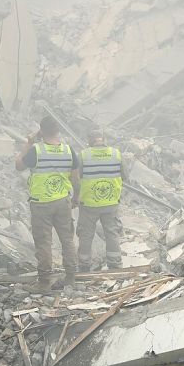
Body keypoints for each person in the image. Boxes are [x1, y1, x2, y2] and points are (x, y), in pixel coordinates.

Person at [15, 116, 80, 292]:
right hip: (62, 202)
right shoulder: (68, 150)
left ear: (41, 131)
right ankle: (71, 279)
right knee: (67, 240)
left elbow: (19, 165)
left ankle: (44, 282)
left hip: (41, 204)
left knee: (44, 242)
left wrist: (29, 142)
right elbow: (75, 177)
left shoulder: (36, 150)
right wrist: (76, 198)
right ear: (58, 131)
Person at [76, 128, 123, 272]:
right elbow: (124, 175)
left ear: (90, 140)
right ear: (103, 139)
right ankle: (114, 265)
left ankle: (84, 266)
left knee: (86, 235)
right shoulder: (116, 154)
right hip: (111, 202)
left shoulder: (83, 155)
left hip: (89, 204)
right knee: (112, 233)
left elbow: (76, 179)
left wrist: (75, 197)